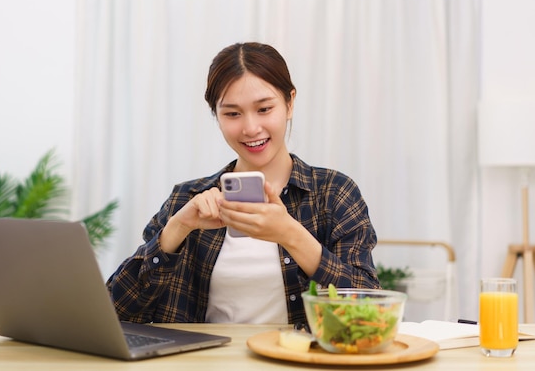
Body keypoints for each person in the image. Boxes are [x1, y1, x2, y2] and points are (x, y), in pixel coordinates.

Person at [106, 42, 380, 325]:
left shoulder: (334, 193)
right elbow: (116, 313)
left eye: (264, 109)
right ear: (216, 115)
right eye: (232, 114)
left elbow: (370, 311)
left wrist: (291, 235)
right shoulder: (187, 199)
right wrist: (177, 229)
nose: (250, 128)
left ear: (290, 103)